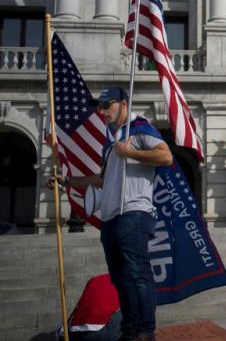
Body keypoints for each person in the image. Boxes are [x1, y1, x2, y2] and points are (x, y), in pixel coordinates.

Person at [49, 87, 173, 341]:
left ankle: (145, 332)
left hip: (134, 212)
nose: (102, 111)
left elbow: (165, 156)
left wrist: (130, 153)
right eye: (99, 107)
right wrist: (67, 181)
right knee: (120, 279)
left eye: (107, 105)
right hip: (111, 217)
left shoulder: (139, 128)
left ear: (123, 104)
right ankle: (129, 331)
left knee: (138, 274)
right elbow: (101, 180)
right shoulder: (112, 142)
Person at [58, 274, 121, 341]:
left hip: (75, 333)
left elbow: (77, 309)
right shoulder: (125, 282)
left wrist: (64, 330)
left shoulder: (94, 280)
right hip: (97, 335)